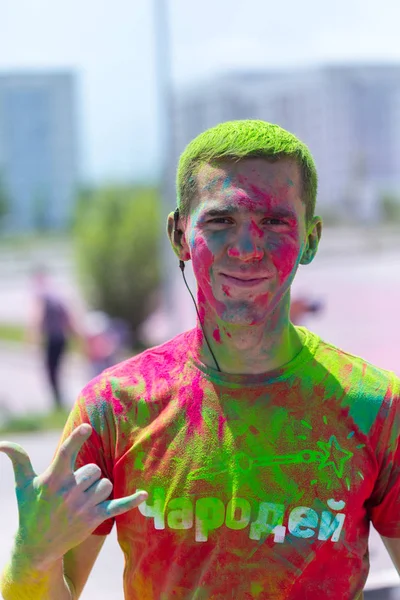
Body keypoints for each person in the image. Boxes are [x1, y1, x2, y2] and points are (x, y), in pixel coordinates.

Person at [1, 120, 400, 599]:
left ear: (312, 239)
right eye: (220, 221)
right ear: (178, 235)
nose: (248, 248)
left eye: (274, 222)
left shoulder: (374, 407)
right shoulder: (115, 409)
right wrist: (31, 556)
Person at [27, 266, 77, 409]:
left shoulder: (40, 294)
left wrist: (33, 337)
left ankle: (57, 401)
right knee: (58, 368)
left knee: (50, 369)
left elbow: (37, 316)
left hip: (51, 337)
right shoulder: (57, 294)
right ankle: (59, 398)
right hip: (62, 337)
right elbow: (69, 317)